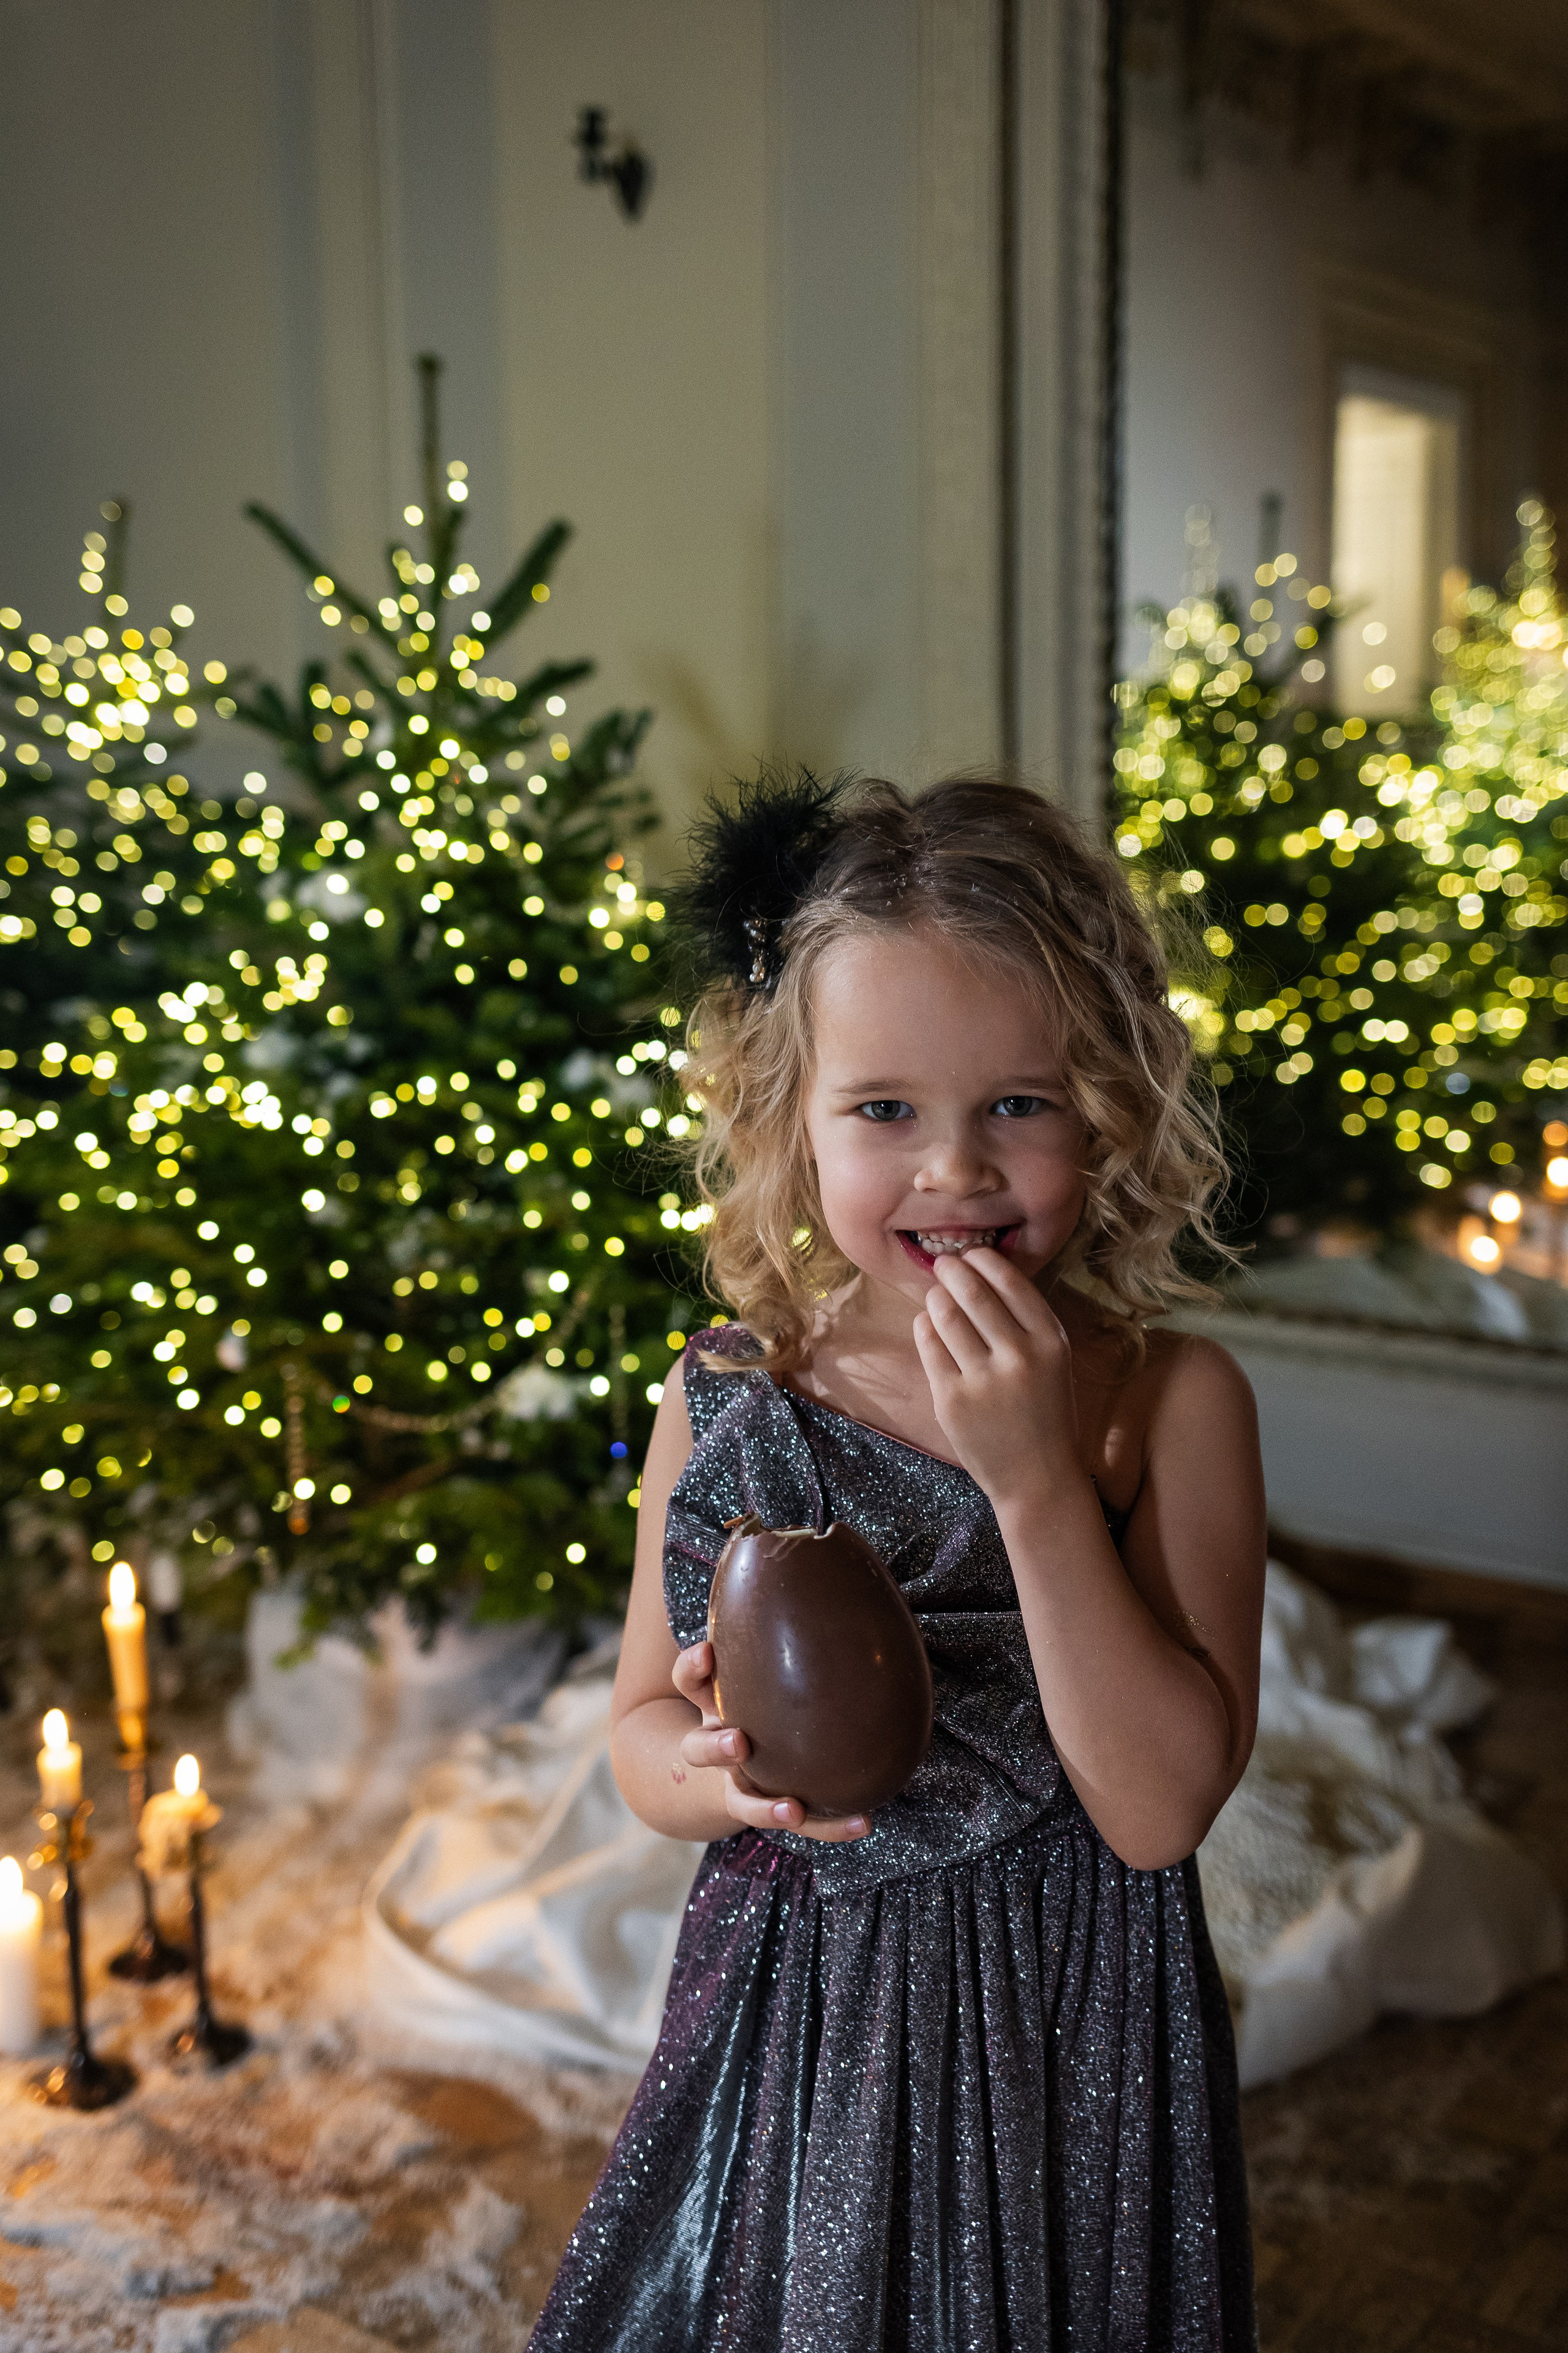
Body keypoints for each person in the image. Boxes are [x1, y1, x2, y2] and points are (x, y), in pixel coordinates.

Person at [527, 773, 1265, 2351]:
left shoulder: (1166, 1406)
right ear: (792, 1116)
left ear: (1112, 1102)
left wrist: (1035, 1485)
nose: (954, 1173)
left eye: (1020, 1102)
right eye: (884, 1111)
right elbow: (644, 1742)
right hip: (810, 2007)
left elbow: (1155, 1813)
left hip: (1070, 2013)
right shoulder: (727, 1400)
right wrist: (729, 1775)